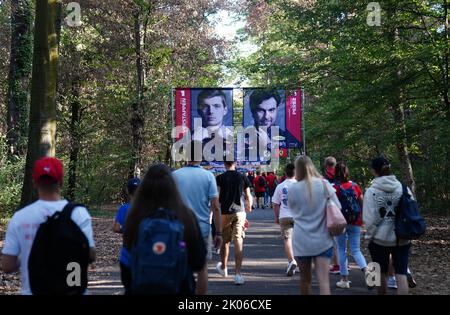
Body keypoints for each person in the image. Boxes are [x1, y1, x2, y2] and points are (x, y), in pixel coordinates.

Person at [1, 157, 95, 295]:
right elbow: (90, 255)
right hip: (72, 290)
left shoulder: (20, 217)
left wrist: (27, 256)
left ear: (34, 183)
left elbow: (7, 266)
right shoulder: (78, 213)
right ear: (61, 182)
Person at [123, 164, 206, 294]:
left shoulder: (135, 216)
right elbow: (198, 262)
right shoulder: (186, 216)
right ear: (173, 187)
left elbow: (126, 260)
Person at [173, 141, 223, 295]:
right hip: (202, 229)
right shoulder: (208, 177)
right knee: (202, 268)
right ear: (201, 155)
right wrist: (219, 232)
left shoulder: (174, 176)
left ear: (186, 155)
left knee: (179, 265)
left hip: (178, 229)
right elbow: (215, 206)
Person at [288, 155, 341, 295]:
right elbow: (338, 207)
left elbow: (292, 210)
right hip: (323, 238)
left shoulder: (293, 189)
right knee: (324, 281)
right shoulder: (324, 184)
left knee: (305, 281)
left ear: (297, 169)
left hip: (301, 240)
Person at [363, 157, 413, 295]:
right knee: (401, 274)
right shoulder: (403, 188)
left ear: (374, 171)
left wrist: (371, 235)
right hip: (401, 238)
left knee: (380, 274)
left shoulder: (371, 191)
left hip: (379, 239)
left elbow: (368, 218)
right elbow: (412, 210)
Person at [215, 160, 253, 285]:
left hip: (225, 212)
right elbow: (248, 195)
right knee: (238, 241)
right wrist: (249, 206)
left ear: (224, 164)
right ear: (235, 163)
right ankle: (237, 274)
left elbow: (217, 196)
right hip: (239, 211)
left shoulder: (220, 178)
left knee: (224, 241)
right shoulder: (242, 176)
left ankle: (224, 268)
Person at [332, 162, 368, 289]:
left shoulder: (334, 188)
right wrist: (363, 218)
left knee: (341, 249)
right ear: (347, 172)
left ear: (335, 173)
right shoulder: (355, 186)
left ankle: (344, 279)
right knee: (356, 249)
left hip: (340, 222)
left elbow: (332, 207)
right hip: (355, 221)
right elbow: (362, 203)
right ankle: (367, 271)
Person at [113, 177, 141, 295]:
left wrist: (125, 230)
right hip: (144, 255)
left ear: (128, 191)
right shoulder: (148, 207)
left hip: (127, 256)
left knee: (129, 289)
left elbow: (116, 228)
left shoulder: (123, 208)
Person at [245, 90, 286, 161]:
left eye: (271, 110)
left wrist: (268, 144)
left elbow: (283, 157)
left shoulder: (286, 136)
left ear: (277, 110)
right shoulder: (244, 136)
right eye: (261, 110)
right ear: (253, 112)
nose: (266, 116)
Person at [272, 163, 298, 276]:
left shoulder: (280, 186)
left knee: (287, 239)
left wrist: (277, 217)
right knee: (299, 241)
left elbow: (275, 203)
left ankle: (291, 261)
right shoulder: (300, 185)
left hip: (284, 215)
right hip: (299, 216)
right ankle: (300, 263)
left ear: (285, 173)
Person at [323, 156, 340, 275]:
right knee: (344, 241)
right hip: (344, 210)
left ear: (326, 165)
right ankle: (343, 264)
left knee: (334, 239)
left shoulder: (326, 179)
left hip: (332, 210)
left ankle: (337, 264)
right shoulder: (343, 175)